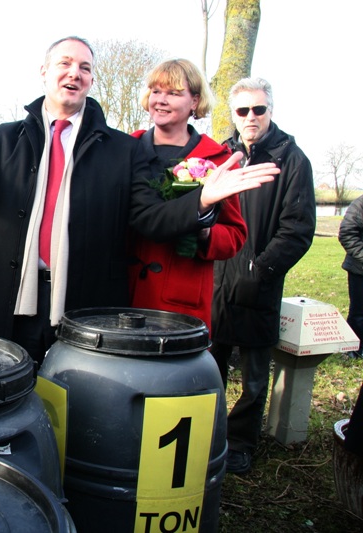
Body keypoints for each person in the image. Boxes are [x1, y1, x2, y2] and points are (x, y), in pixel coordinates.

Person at [0, 36, 279, 365]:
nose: (74, 72)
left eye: (84, 67)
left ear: (91, 80)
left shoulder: (122, 150)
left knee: (74, 405)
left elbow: (149, 218)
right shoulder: (7, 139)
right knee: (7, 396)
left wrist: (202, 200)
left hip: (81, 303)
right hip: (7, 299)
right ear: (44, 73)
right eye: (64, 63)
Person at [211, 77, 317, 474]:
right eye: (243, 110)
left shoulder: (292, 159)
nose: (251, 117)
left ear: (271, 110)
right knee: (211, 366)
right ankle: (209, 435)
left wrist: (261, 270)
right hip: (216, 280)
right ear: (233, 114)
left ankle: (240, 442)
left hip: (258, 283)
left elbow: (298, 228)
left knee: (254, 376)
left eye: (259, 109)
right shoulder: (222, 155)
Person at [128, 59, 246, 330]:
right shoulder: (125, 148)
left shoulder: (217, 160)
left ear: (195, 101)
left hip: (179, 301)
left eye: (173, 93)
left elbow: (235, 235)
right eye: (156, 91)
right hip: (123, 292)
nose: (161, 100)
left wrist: (205, 232)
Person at [339, 194, 363, 358]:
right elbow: (347, 233)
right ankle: (353, 349)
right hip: (359, 269)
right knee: (359, 313)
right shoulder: (360, 204)